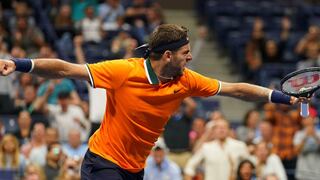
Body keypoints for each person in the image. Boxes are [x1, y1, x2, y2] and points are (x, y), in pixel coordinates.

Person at [0, 24, 302, 179]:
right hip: (103, 161)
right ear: (168, 56)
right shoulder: (124, 71)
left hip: (135, 169)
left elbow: (235, 89)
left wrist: (279, 97)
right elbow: (67, 68)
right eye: (186, 52)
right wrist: (21, 63)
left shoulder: (186, 80)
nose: (191, 57)